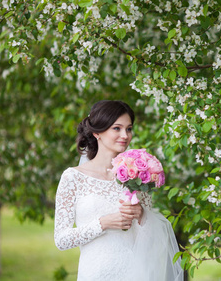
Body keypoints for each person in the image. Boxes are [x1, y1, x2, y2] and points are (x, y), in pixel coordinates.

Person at [54, 100, 183, 280]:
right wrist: (103, 223)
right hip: (95, 273)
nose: (125, 135)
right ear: (97, 132)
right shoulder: (73, 178)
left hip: (136, 273)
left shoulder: (137, 176)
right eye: (117, 128)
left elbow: (152, 239)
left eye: (129, 129)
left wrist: (141, 215)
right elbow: (62, 240)